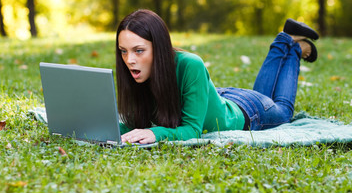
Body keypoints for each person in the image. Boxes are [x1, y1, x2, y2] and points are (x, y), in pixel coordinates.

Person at [116, 9, 319, 144]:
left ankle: (293, 48)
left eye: (139, 50)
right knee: (265, 97)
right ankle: (288, 39)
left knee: (282, 110)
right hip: (218, 98)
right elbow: (132, 122)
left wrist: (155, 134)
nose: (129, 60)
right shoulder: (137, 72)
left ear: (158, 47)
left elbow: (191, 130)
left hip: (248, 112)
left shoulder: (190, 64)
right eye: (123, 51)